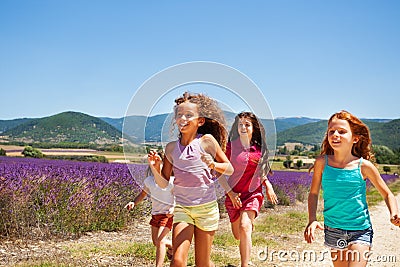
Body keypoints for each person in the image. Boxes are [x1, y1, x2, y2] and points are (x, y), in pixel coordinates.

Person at [148, 92, 234, 267]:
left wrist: (213, 165)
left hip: (207, 210)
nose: (183, 118)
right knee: (178, 260)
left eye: (189, 115)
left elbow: (230, 169)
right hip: (182, 209)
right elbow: (164, 183)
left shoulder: (207, 141)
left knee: (202, 263)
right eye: (179, 115)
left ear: (200, 121)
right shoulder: (171, 148)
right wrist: (155, 168)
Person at [304, 110, 400, 266]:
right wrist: (312, 220)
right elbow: (313, 193)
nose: (335, 134)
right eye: (331, 131)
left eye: (342, 132)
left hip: (360, 230)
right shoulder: (322, 163)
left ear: (355, 138)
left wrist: (394, 213)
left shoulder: (364, 166)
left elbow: (387, 194)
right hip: (333, 229)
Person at [224, 111, 278, 267]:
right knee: (237, 235)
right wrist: (231, 193)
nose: (243, 127)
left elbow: (260, 171)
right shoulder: (230, 147)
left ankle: (245, 264)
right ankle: (247, 225)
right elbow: (220, 174)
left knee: (244, 226)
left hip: (253, 194)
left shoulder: (258, 150)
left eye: (247, 124)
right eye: (240, 124)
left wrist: (267, 184)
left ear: (254, 128)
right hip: (234, 194)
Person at [125, 162, 175, 267]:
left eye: (159, 163)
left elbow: (180, 196)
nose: (155, 166)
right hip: (155, 215)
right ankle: (172, 246)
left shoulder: (171, 181)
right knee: (156, 242)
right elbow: (143, 194)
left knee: (160, 241)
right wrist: (133, 202)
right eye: (153, 164)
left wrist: (174, 209)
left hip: (167, 215)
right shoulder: (149, 181)